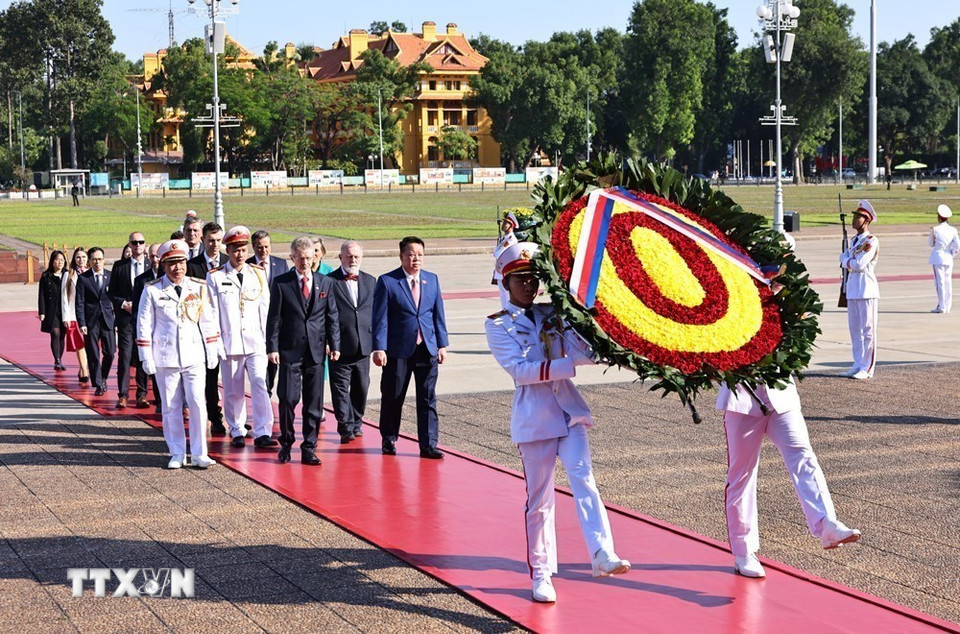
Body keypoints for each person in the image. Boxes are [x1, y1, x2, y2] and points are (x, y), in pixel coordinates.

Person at [485, 242, 630, 604]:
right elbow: (520, 371)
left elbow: (582, 349)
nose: (529, 285)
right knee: (540, 500)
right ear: (506, 283)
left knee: (584, 479)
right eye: (520, 279)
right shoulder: (498, 325)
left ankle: (602, 552)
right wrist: (569, 365)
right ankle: (541, 572)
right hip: (534, 419)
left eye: (533, 279)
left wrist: (598, 342)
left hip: (568, 411)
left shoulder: (553, 312)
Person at [716, 380, 862, 578]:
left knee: (803, 456)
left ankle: (827, 523)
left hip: (781, 394)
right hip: (742, 401)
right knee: (742, 474)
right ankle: (744, 551)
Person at [137, 239, 221, 470]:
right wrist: (146, 356)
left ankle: (200, 453)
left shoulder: (198, 287)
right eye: (172, 263)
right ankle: (177, 452)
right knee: (171, 406)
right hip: (166, 356)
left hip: (193, 355)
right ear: (164, 265)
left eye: (181, 262)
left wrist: (212, 349)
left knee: (197, 403)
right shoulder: (152, 290)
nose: (178, 268)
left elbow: (208, 320)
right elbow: (144, 324)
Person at [372, 236, 449, 459]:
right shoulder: (387, 281)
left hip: (427, 348)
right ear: (401, 256)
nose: (416, 259)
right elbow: (380, 318)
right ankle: (389, 438)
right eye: (412, 255)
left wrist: (442, 344)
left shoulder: (431, 280)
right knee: (393, 395)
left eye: (420, 255)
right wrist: (379, 348)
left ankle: (428, 444)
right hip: (398, 350)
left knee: (427, 397)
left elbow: (438, 314)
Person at [266, 236, 341, 465]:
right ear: (292, 258)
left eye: (308, 258)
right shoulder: (282, 283)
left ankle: (309, 447)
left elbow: (332, 316)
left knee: (314, 403)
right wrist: (272, 347)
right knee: (288, 399)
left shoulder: (325, 282)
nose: (305, 262)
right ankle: (286, 443)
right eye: (300, 258)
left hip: (316, 352)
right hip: (290, 351)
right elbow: (274, 318)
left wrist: (335, 344)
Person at [207, 226, 277, 449]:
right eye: (235, 250)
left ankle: (263, 431)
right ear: (227, 250)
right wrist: (216, 342)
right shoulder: (216, 276)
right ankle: (237, 428)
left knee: (259, 384)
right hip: (231, 342)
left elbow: (265, 309)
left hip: (256, 341)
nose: (240, 254)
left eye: (243, 249)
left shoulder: (257, 273)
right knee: (233, 390)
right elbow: (212, 312)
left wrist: (269, 341)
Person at [327, 241, 375, 444]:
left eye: (356, 256)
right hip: (339, 346)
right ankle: (345, 426)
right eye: (349, 256)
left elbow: (375, 313)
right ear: (341, 258)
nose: (353, 260)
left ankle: (356, 421)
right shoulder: (329, 281)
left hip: (364, 345)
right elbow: (324, 313)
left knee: (361, 387)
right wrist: (328, 341)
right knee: (340, 390)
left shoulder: (370, 281)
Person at [187, 222, 227, 434]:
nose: (215, 245)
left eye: (218, 240)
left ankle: (235, 418)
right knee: (210, 377)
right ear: (203, 240)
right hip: (203, 330)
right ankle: (214, 417)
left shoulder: (229, 262)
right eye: (211, 241)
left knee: (232, 377)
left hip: (228, 328)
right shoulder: (192, 266)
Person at [107, 232, 149, 409]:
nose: (138, 245)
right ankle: (123, 395)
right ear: (130, 245)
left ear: (145, 245)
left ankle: (142, 394)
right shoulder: (120, 266)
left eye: (141, 242)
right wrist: (123, 304)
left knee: (142, 357)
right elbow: (111, 292)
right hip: (126, 319)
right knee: (124, 357)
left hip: (145, 319)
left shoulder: (150, 266)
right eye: (134, 242)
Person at [839, 200, 879, 380]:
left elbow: (860, 264)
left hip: (867, 288)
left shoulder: (871, 241)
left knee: (868, 331)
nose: (854, 219)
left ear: (867, 220)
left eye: (858, 217)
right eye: (854, 216)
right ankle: (858, 363)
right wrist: (847, 261)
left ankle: (867, 367)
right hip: (853, 288)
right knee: (855, 330)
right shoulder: (854, 241)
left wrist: (844, 261)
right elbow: (851, 263)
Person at [248, 229, 289, 396]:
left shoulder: (281, 264)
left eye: (266, 246)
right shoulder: (247, 265)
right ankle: (263, 392)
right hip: (255, 321)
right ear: (253, 247)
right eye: (259, 247)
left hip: (276, 321)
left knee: (273, 360)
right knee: (258, 362)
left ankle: (268, 388)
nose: (263, 250)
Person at [75, 247, 116, 396]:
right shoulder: (83, 278)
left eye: (99, 259)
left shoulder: (111, 276)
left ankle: (103, 377)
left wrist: (117, 320)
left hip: (107, 319)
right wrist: (82, 323)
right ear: (90, 261)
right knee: (93, 354)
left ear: (104, 260)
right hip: (91, 321)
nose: (97, 262)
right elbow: (79, 302)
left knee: (110, 352)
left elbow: (115, 298)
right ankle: (98, 384)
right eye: (94, 259)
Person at [133, 243, 162, 412]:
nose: (155, 259)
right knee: (145, 363)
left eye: (158, 256)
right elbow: (138, 309)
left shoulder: (170, 277)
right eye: (152, 256)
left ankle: (161, 400)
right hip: (148, 330)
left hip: (164, 331)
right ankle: (143, 394)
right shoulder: (141, 280)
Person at [61, 247, 90, 384]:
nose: (81, 260)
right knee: (80, 344)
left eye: (83, 257)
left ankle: (82, 368)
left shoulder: (91, 272)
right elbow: (64, 297)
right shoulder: (69, 274)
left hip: (90, 314)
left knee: (89, 344)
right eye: (78, 257)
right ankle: (85, 370)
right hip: (74, 314)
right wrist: (66, 317)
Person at [38, 250, 67, 371]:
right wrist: (42, 312)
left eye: (62, 260)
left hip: (64, 309)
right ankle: (57, 360)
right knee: (55, 333)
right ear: (52, 261)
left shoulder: (67, 275)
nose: (59, 262)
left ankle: (60, 358)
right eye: (57, 259)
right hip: (51, 310)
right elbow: (42, 295)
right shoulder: (46, 276)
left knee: (62, 335)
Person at [929, 204, 959, 314]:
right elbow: (957, 245)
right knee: (948, 282)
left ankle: (941, 306)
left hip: (938, 257)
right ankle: (947, 306)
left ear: (939, 217)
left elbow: (931, 243)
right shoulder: (953, 230)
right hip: (948, 257)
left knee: (939, 282)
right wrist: (951, 253)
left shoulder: (935, 229)